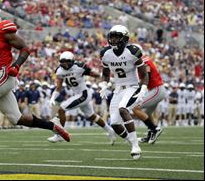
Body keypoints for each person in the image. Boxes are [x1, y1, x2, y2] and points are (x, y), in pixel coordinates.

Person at [0, 2, 70, 159]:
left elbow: (25, 48)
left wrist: (16, 65)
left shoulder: (2, 29)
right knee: (17, 119)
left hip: (3, 74)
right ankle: (53, 125)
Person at [99, 25, 149, 159]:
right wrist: (104, 84)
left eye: (117, 36)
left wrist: (143, 88)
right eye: (112, 36)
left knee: (123, 109)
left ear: (125, 38)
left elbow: (144, 74)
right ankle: (130, 140)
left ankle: (135, 146)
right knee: (115, 123)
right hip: (118, 90)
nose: (114, 40)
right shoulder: (105, 53)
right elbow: (105, 73)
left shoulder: (132, 51)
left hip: (132, 86)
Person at [49, 51, 116, 145]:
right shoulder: (59, 71)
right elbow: (59, 87)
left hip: (83, 94)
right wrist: (52, 98)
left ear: (72, 60)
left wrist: (108, 79)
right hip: (78, 95)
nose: (65, 63)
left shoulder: (79, 67)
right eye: (63, 61)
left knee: (62, 109)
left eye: (67, 61)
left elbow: (95, 74)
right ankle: (110, 131)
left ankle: (60, 135)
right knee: (92, 116)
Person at [131, 45, 166, 144]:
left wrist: (138, 88)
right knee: (146, 113)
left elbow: (148, 76)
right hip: (155, 90)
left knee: (135, 108)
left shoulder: (144, 61)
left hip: (157, 90)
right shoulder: (144, 59)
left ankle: (155, 129)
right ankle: (151, 134)